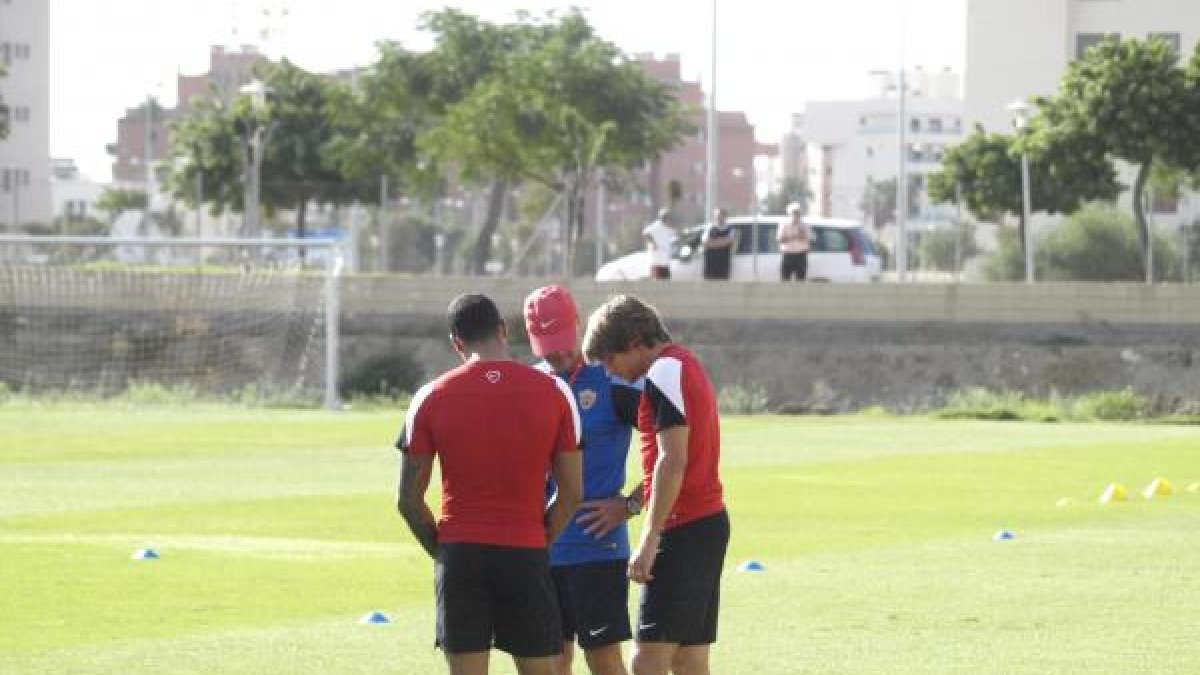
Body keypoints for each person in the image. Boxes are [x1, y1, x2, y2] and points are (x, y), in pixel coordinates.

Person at [396, 293, 584, 675]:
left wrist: (444, 550)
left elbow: (408, 500)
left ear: (457, 343)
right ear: (503, 330)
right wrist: (539, 540)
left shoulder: (431, 396)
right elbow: (571, 494)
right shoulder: (555, 392)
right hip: (526, 550)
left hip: (461, 554)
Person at [581, 295, 730, 675]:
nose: (612, 372)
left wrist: (649, 540)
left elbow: (671, 459)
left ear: (633, 342)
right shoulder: (685, 364)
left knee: (647, 660)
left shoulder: (664, 371)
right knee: (689, 658)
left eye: (611, 360)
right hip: (707, 523)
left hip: (683, 528)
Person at [524, 285, 644, 675]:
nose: (556, 353)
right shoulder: (531, 386)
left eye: (561, 341)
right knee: (552, 662)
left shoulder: (613, 378)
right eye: (546, 345)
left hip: (597, 548)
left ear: (577, 325)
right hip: (542, 548)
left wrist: (629, 506)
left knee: (604, 660)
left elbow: (674, 452)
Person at [777, 202, 810, 281]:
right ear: (789, 213)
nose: (796, 215)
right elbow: (780, 239)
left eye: (798, 213)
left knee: (801, 280)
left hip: (801, 255)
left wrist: (800, 234)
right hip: (787, 255)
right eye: (794, 212)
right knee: (785, 280)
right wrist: (794, 236)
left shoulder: (805, 225)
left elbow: (808, 239)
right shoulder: (784, 225)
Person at [700, 208, 736, 280]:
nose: (718, 218)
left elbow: (730, 240)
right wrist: (722, 241)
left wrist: (713, 242)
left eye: (720, 216)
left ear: (725, 217)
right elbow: (705, 242)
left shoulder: (731, 229)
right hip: (710, 264)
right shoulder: (709, 228)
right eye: (716, 216)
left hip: (723, 264)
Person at [642, 209, 677, 280]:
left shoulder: (667, 228)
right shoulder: (656, 226)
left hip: (665, 262)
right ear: (663, 218)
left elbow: (674, 235)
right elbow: (645, 233)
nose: (669, 220)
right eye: (667, 217)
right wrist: (653, 243)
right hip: (657, 262)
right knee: (658, 283)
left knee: (666, 282)